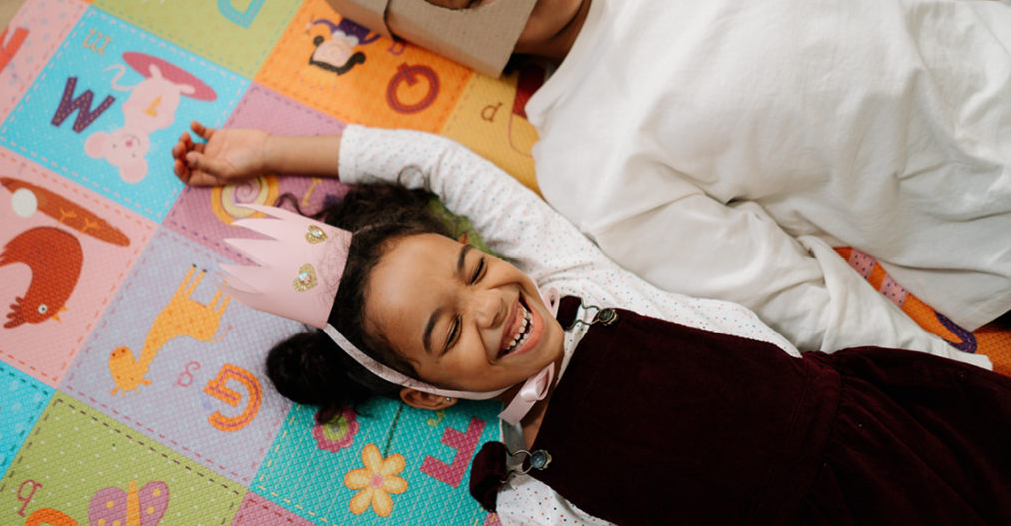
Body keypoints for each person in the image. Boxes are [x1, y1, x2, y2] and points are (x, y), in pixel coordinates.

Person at [173, 121, 1011, 524]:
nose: (492, 302)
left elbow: (440, 160)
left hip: (887, 425)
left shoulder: (568, 277)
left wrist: (273, 150)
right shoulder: (533, 490)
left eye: (471, 268)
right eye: (447, 332)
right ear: (426, 396)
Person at [316, 0, 1011, 366]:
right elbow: (780, 289)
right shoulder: (585, 161)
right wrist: (949, 372)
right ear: (455, 31)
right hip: (980, 220)